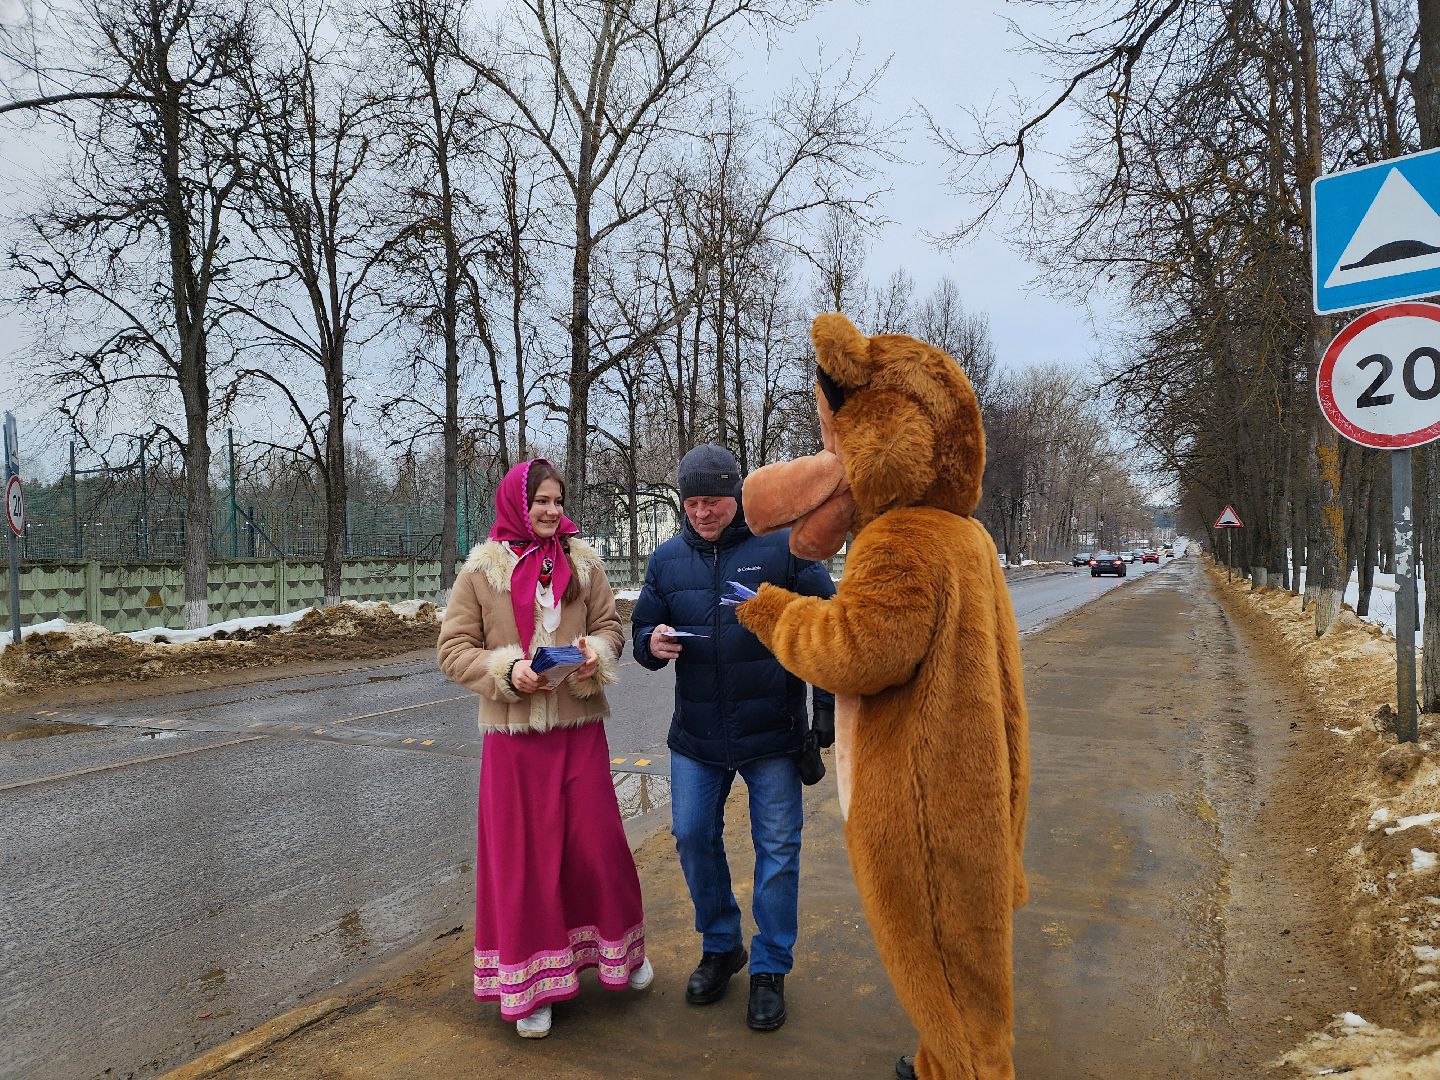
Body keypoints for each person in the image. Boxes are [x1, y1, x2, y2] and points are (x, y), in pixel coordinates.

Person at [438, 458, 648, 1040]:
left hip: (579, 730)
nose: (551, 511)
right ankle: (532, 988)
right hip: (515, 743)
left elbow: (611, 629)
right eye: (540, 502)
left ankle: (618, 953)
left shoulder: (584, 562)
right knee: (525, 862)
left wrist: (592, 656)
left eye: (557, 500)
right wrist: (508, 671)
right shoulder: (481, 571)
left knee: (596, 845)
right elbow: (453, 648)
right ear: (516, 505)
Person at [631, 444, 835, 1033]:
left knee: (777, 852)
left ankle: (770, 968)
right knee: (693, 836)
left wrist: (822, 711)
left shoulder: (782, 546)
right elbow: (644, 628)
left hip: (772, 731)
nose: (702, 512)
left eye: (713, 501)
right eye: (692, 502)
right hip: (697, 735)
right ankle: (722, 946)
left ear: (736, 496)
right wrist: (652, 644)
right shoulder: (667, 561)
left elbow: (827, 622)